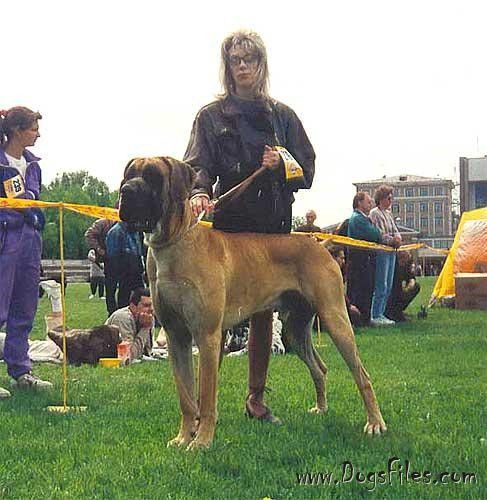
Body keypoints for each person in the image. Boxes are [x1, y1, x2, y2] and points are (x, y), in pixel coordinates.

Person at [184, 30, 315, 423]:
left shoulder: (283, 116)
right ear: (227, 67)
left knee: (262, 313)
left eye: (249, 59)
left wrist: (283, 162)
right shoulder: (210, 116)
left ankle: (255, 398)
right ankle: (205, 406)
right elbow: (196, 165)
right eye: (235, 60)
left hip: (273, 226)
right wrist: (199, 192)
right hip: (228, 224)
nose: (242, 66)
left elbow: (307, 171)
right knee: (215, 315)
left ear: (262, 64)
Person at [0, 106, 52, 398]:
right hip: (4, 238)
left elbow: (31, 198)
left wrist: (28, 201)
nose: (38, 134)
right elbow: (20, 200)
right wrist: (25, 201)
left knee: (24, 307)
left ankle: (20, 370)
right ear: (17, 131)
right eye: (33, 128)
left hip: (30, 239)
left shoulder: (33, 165)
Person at [347, 192, 382, 326]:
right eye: (368, 201)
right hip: (359, 261)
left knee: (366, 289)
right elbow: (374, 234)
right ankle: (359, 319)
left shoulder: (362, 218)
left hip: (364, 260)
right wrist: (378, 233)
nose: (370, 204)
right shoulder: (358, 219)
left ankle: (364, 318)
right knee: (361, 290)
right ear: (359, 203)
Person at [369, 185, 402, 327]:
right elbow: (379, 233)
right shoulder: (374, 214)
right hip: (381, 252)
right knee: (381, 284)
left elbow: (395, 230)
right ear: (381, 199)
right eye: (389, 198)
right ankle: (375, 314)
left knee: (388, 284)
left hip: (391, 252)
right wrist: (392, 240)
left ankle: (381, 313)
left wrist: (398, 238)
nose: (390, 201)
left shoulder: (389, 214)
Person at [105, 221, 145, 316]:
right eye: (136, 222)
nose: (138, 225)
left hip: (134, 269)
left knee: (141, 293)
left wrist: (140, 267)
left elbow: (138, 251)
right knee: (121, 294)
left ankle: (140, 313)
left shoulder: (134, 232)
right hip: (122, 269)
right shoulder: (116, 232)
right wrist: (120, 272)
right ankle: (116, 315)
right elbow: (112, 255)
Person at [105, 287, 154, 363]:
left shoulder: (148, 317)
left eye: (153, 305)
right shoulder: (122, 317)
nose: (151, 309)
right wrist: (145, 328)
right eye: (146, 305)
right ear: (133, 307)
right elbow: (128, 356)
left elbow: (147, 352)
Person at [385, 251, 421, 322]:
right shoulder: (392, 263)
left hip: (400, 290)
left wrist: (410, 285)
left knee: (416, 286)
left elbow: (411, 277)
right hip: (391, 291)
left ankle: (398, 311)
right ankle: (392, 312)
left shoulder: (407, 264)